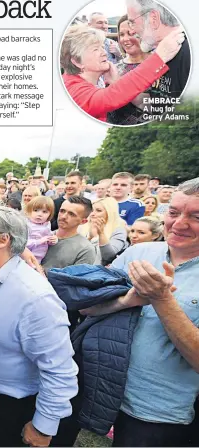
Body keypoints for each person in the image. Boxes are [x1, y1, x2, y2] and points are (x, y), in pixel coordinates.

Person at [83, 177, 199, 446]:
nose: (179, 223)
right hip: (108, 393)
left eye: (196, 216)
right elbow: (87, 307)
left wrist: (161, 299)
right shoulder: (139, 252)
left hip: (160, 414)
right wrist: (127, 301)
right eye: (173, 212)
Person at [0, 206, 78, 447]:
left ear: (3, 240)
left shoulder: (35, 298)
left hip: (13, 409)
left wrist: (43, 426)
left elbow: (59, 369)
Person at [60, 24, 184, 122]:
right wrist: (160, 57)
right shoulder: (73, 91)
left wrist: (116, 81)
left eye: (102, 47)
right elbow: (110, 97)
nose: (103, 52)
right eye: (95, 49)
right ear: (76, 61)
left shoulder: (75, 83)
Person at [126, 0, 190, 100]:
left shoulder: (189, 54)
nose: (131, 31)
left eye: (132, 22)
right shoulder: (160, 54)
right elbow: (156, 105)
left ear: (153, 19)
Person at [107, 15, 152, 125]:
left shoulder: (158, 65)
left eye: (131, 33)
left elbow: (158, 106)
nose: (125, 39)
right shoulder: (115, 68)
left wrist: (118, 84)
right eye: (121, 34)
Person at [42, 196, 96, 270]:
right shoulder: (41, 235)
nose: (64, 216)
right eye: (62, 211)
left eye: (71, 214)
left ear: (83, 221)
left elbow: (74, 280)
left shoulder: (85, 249)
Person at [79, 197, 129, 266]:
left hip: (99, 272)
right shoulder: (82, 226)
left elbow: (109, 256)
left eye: (98, 210)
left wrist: (100, 234)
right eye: (92, 210)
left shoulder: (119, 230)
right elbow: (76, 251)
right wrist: (89, 237)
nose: (92, 214)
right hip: (78, 268)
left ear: (110, 212)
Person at [24, 196, 57, 264]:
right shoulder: (26, 225)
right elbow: (22, 244)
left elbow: (48, 237)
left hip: (39, 259)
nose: (39, 214)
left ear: (50, 214)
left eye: (44, 212)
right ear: (29, 211)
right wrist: (39, 241)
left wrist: (53, 240)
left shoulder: (47, 224)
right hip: (25, 258)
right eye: (35, 210)